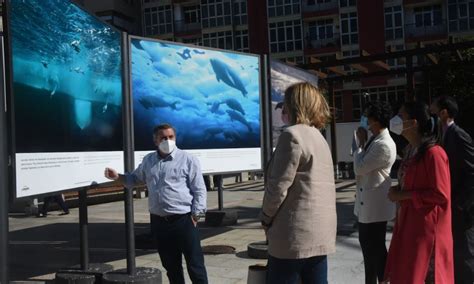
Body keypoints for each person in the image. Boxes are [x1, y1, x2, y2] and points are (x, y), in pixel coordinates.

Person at [104, 123, 208, 284]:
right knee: (171, 267)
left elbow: (199, 189)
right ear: (156, 141)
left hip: (184, 220)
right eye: (163, 138)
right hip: (159, 222)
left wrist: (197, 215)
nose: (168, 140)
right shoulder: (149, 160)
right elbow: (134, 179)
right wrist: (117, 176)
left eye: (171, 137)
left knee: (195, 266)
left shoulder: (188, 159)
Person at [260, 82, 336, 284]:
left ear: (294, 104)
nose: (282, 108)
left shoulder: (291, 135)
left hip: (293, 238)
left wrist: (266, 218)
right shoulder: (319, 137)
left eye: (285, 103)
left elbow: (278, 187)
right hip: (320, 235)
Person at [384, 101, 454, 283]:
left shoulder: (434, 153)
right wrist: (399, 189)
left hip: (427, 232)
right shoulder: (410, 151)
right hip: (409, 225)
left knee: (423, 276)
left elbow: (440, 194)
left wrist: (403, 195)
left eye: (401, 115)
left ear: (413, 123)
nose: (396, 119)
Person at [353, 101, 397, 284]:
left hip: (375, 209)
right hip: (367, 207)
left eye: (367, 118)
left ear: (376, 121)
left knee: (376, 253)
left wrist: (360, 144)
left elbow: (359, 168)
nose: (365, 123)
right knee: (370, 254)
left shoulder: (384, 144)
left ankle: (384, 281)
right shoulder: (376, 139)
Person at [431, 96, 474, 284]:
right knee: (455, 252)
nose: (431, 111)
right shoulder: (443, 134)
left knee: (465, 253)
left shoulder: (459, 134)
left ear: (444, 112)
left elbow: (471, 171)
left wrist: (462, 204)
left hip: (462, 207)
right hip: (451, 204)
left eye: (435, 108)